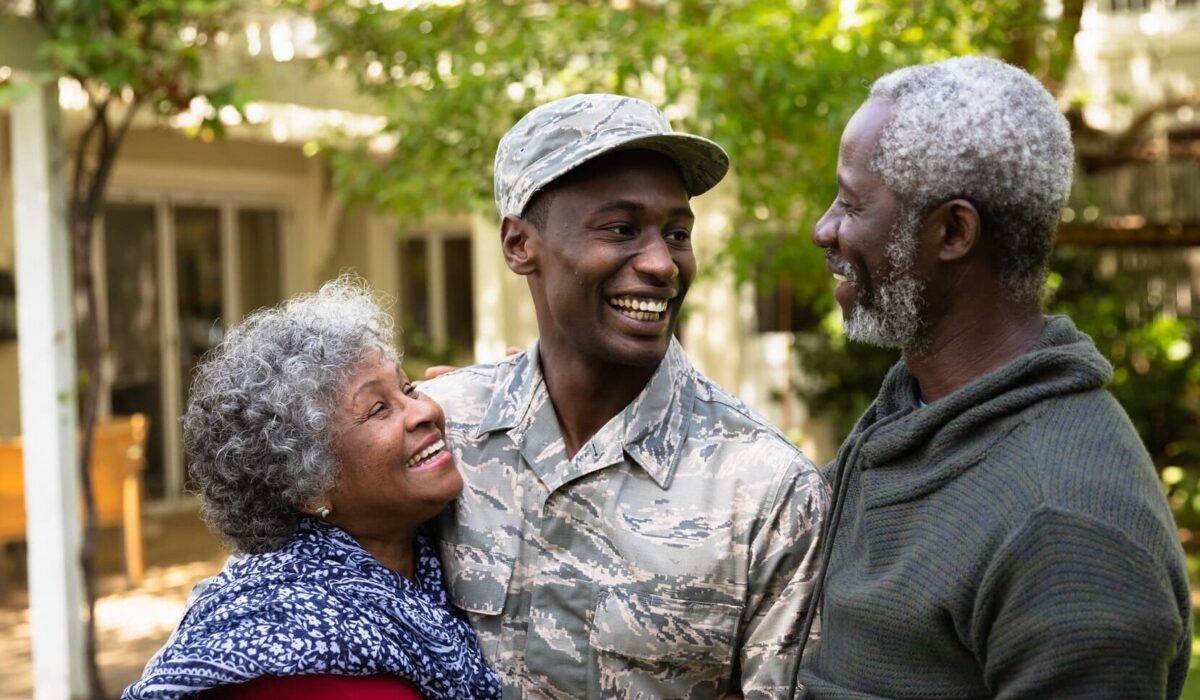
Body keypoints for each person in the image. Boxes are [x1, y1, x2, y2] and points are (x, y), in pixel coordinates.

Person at [795, 56, 1191, 698]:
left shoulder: (1065, 533)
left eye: (851, 202)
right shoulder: (920, 410)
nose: (825, 229)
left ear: (952, 231)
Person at [420, 93, 828, 699]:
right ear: (518, 245)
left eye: (678, 232)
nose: (663, 264)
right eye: (620, 229)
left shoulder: (766, 489)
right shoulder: (436, 436)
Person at [124, 278, 501, 700]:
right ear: (310, 488)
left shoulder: (428, 557)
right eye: (379, 408)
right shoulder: (303, 655)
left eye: (408, 387)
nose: (424, 411)